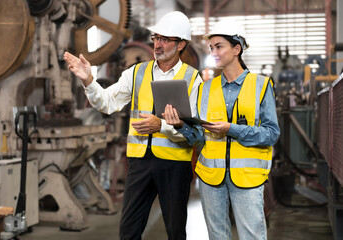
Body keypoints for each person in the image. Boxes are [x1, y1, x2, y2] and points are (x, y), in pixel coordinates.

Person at [64, 11, 203, 240]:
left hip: (175, 165)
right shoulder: (137, 73)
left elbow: (196, 133)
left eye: (165, 39)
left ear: (181, 45)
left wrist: (161, 126)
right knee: (128, 231)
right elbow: (106, 103)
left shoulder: (193, 79)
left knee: (176, 231)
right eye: (156, 38)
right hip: (140, 163)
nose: (158, 44)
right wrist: (88, 80)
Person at [163, 19, 280, 240]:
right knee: (217, 236)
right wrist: (180, 125)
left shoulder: (261, 85)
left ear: (237, 49)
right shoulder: (204, 89)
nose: (213, 52)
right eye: (211, 48)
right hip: (210, 177)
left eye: (219, 46)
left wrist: (231, 129)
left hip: (247, 177)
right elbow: (199, 138)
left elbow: (271, 134)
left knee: (252, 236)